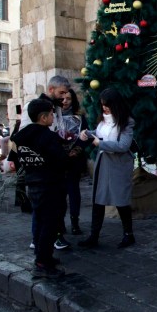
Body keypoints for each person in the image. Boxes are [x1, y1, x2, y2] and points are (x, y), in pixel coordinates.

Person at [11, 99, 70, 278]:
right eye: (51, 114)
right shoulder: (47, 136)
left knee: (42, 222)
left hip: (33, 183)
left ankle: (44, 256)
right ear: (43, 117)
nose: (53, 117)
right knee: (50, 224)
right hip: (50, 185)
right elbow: (60, 160)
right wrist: (70, 154)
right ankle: (43, 262)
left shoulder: (22, 135)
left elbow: (17, 156)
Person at [78, 88, 136, 249]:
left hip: (119, 165)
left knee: (121, 200)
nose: (104, 108)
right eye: (102, 104)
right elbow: (99, 133)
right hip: (103, 163)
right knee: (98, 200)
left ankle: (128, 235)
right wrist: (88, 134)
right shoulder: (103, 119)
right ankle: (94, 236)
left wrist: (100, 144)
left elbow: (124, 145)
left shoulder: (126, 122)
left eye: (107, 105)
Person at [20, 75, 72, 251]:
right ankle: (39, 244)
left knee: (55, 207)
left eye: (66, 93)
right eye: (61, 92)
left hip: (53, 168)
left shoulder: (55, 109)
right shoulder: (34, 108)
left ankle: (54, 238)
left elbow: (58, 129)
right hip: (41, 168)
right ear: (51, 90)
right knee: (42, 209)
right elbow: (25, 135)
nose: (64, 97)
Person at [61, 89, 90, 235]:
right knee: (59, 193)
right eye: (62, 98)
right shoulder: (53, 116)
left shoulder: (79, 117)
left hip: (74, 159)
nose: (65, 101)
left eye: (68, 99)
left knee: (73, 191)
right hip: (58, 160)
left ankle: (74, 222)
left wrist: (76, 150)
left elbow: (85, 135)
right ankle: (59, 224)